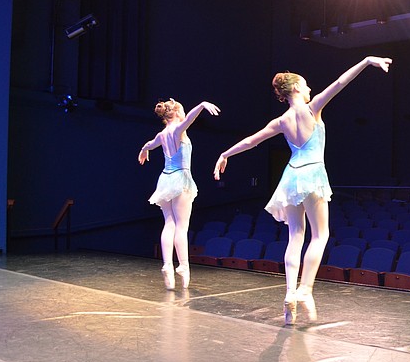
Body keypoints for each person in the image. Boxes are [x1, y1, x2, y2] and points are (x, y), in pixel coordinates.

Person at [213, 56, 392, 324]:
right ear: (296, 88)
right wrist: (367, 61)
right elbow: (341, 82)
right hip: (311, 173)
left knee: (295, 235)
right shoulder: (312, 109)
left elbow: (252, 141)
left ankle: (289, 295)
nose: (310, 89)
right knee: (320, 235)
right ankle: (305, 290)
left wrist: (225, 154)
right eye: (306, 86)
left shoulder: (281, 121)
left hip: (291, 176)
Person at [139, 98, 221, 290]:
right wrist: (201, 105)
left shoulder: (162, 134)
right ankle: (183, 266)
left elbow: (149, 144)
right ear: (176, 113)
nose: (184, 113)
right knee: (182, 227)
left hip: (165, 178)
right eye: (182, 110)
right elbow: (188, 120)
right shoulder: (177, 130)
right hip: (180, 178)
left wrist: (144, 150)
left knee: (169, 223)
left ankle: (167, 264)